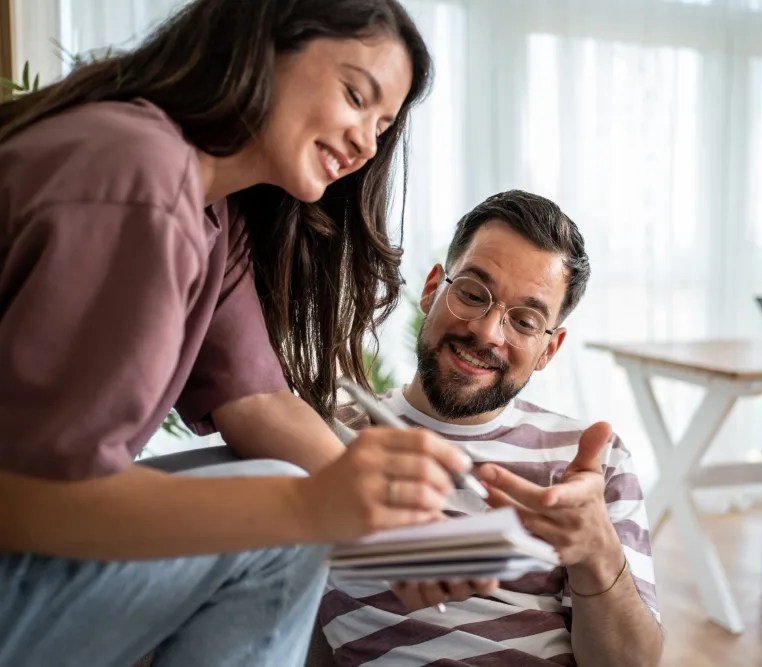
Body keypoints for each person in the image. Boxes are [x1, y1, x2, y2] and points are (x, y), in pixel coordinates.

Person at [0, 1, 474, 665]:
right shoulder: (141, 177)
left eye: (383, 124)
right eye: (354, 95)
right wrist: (308, 507)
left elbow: (259, 399)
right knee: (281, 526)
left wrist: (399, 529)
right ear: (264, 46)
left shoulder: (207, 205)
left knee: (274, 490)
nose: (368, 142)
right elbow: (31, 495)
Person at [319, 191, 663, 667]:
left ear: (549, 349)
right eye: (472, 294)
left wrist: (596, 553)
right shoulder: (322, 438)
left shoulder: (591, 464)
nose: (487, 332)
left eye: (524, 320)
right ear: (433, 287)